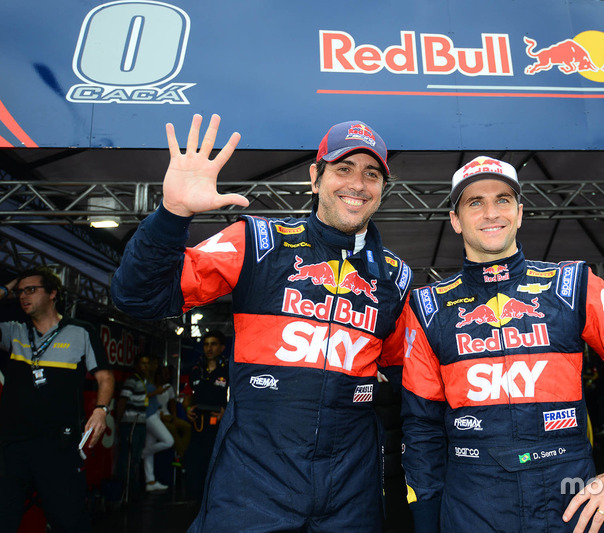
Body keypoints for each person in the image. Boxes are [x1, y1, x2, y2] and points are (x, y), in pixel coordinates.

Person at [110, 115, 412, 531]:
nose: (357, 184)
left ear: (381, 189)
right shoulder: (257, 242)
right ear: (315, 177)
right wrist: (172, 213)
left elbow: (408, 381)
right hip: (253, 488)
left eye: (371, 174)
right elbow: (138, 297)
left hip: (352, 496)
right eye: (344, 169)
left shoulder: (395, 278)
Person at [400, 156, 604, 533]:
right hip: (472, 503)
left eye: (502, 200)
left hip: (570, 500)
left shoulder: (575, 285)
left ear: (520, 213)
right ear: (455, 220)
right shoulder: (427, 307)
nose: (491, 213)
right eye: (474, 202)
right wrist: (424, 521)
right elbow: (421, 427)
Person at [0, 266, 113, 532]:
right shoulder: (13, 331)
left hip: (57, 446)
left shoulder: (80, 331)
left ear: (52, 293)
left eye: (31, 290)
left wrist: (100, 410)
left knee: (69, 520)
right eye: (19, 292)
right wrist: (5, 290)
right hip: (12, 445)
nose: (23, 297)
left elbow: (105, 377)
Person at [182, 331, 229, 501]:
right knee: (194, 466)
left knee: (218, 467)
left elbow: (238, 399)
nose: (209, 348)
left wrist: (227, 412)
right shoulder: (196, 370)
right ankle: (194, 503)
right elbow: (186, 397)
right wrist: (187, 409)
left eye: (213, 344)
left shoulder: (228, 370)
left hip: (220, 428)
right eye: (206, 344)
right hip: (198, 426)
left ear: (222, 347)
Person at [116, 353, 152, 498]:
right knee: (128, 458)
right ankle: (125, 491)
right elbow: (122, 401)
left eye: (147, 363)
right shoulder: (132, 380)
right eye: (143, 363)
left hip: (140, 424)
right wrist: (119, 423)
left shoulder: (143, 381)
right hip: (131, 425)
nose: (146, 366)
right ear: (137, 366)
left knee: (136, 457)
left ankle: (132, 490)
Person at [141, 357, 174, 492]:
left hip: (153, 412)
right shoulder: (141, 379)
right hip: (149, 415)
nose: (150, 366)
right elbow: (140, 395)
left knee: (150, 446)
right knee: (169, 441)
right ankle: (142, 453)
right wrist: (156, 392)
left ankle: (150, 481)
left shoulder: (150, 378)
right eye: (147, 364)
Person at [154, 365, 190, 466]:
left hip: (168, 416)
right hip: (155, 418)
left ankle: (179, 453)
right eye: (164, 374)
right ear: (158, 375)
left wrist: (174, 417)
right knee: (172, 429)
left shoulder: (168, 388)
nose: (167, 376)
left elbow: (172, 405)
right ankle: (181, 455)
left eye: (168, 374)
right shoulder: (151, 387)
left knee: (187, 427)